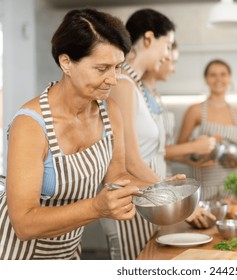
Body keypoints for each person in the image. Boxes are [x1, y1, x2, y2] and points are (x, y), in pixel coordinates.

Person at [0, 8, 147, 260]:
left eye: (118, 67)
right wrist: (97, 207)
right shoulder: (31, 125)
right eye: (102, 68)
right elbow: (24, 224)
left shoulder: (109, 112)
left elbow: (117, 176)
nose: (113, 79)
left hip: (66, 251)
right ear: (66, 62)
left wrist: (166, 190)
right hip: (14, 253)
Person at [105, 8, 187, 260]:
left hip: (145, 197)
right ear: (149, 39)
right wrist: (173, 197)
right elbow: (130, 160)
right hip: (130, 201)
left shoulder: (135, 85)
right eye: (167, 45)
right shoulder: (122, 84)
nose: (166, 56)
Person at [142, 42, 216, 229]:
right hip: (145, 187)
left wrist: (190, 160)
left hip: (160, 186)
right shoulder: (135, 93)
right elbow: (146, 151)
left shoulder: (155, 95)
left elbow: (160, 149)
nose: (174, 69)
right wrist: (193, 147)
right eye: (170, 61)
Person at [177, 59, 237, 201]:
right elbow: (179, 150)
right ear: (206, 79)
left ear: (230, 78)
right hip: (202, 190)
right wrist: (196, 157)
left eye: (223, 74)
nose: (218, 79)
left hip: (230, 191)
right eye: (213, 75)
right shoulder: (195, 111)